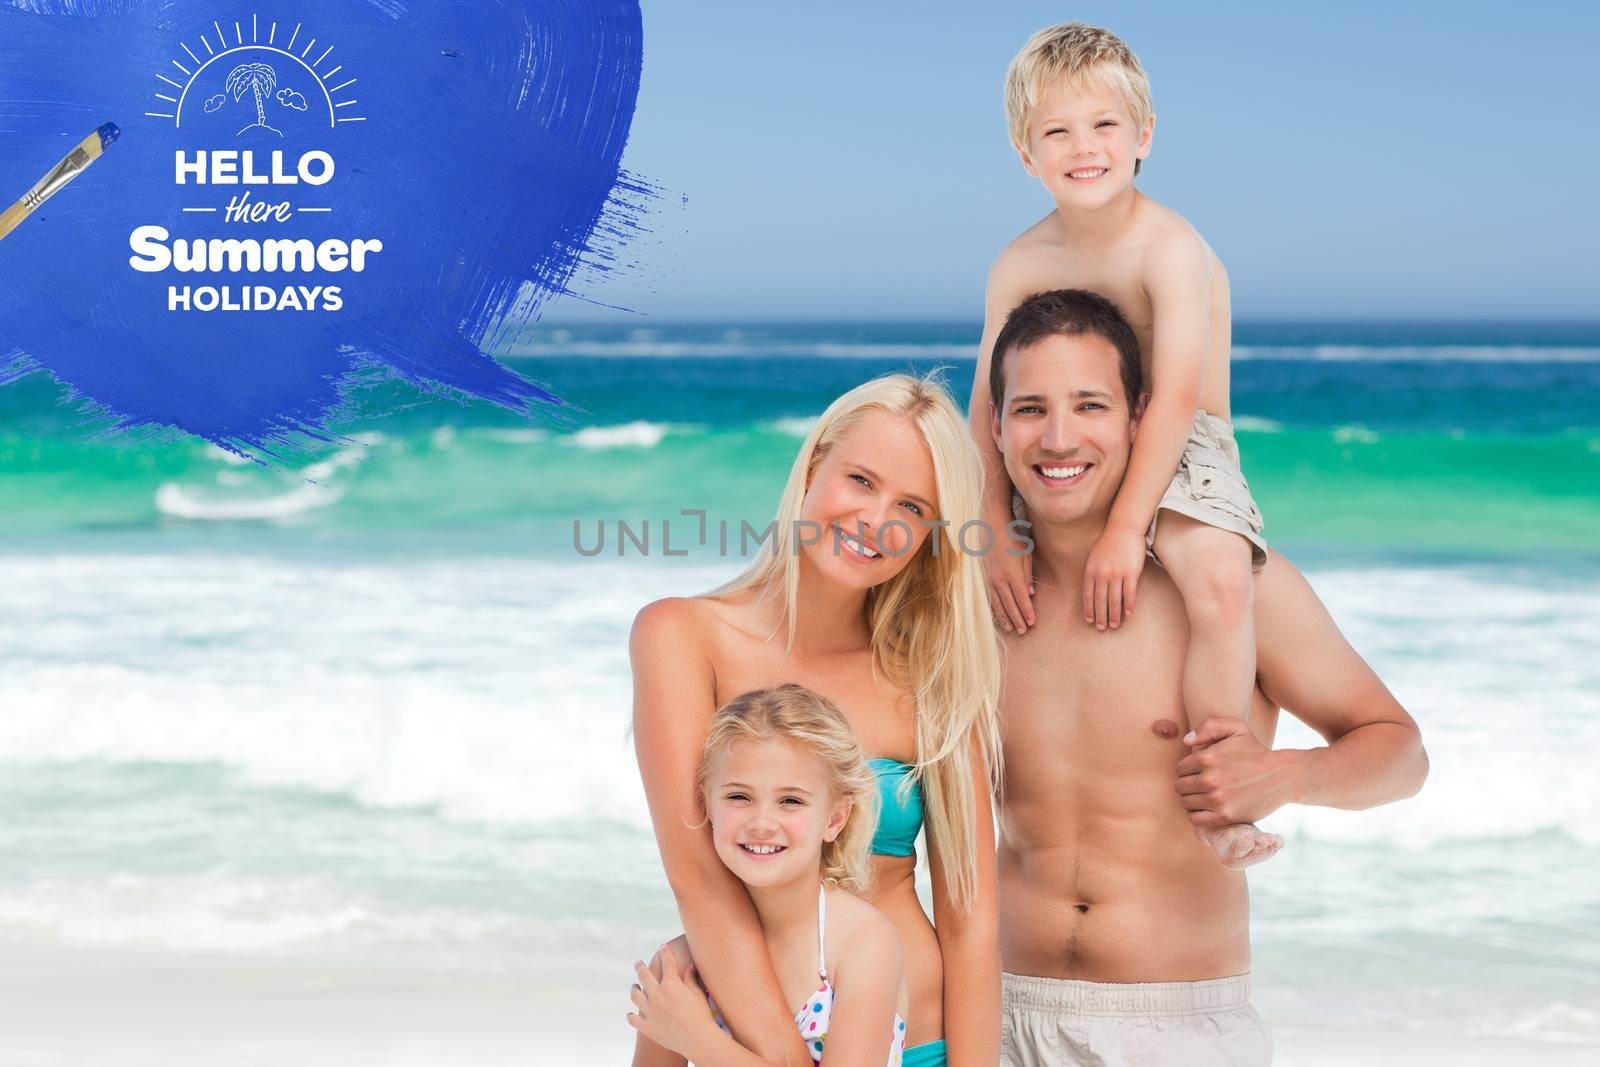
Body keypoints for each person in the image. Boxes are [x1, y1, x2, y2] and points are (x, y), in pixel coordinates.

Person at [987, 289, 1429, 1066]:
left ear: (1140, 418)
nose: (1058, 437)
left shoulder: (1230, 591)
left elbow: (1400, 752)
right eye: (1029, 408)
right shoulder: (975, 604)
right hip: (998, 1014)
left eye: (1090, 404)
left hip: (1176, 1028)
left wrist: (1287, 773)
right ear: (995, 427)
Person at [969, 22, 1278, 867]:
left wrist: (1122, 530)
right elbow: (985, 409)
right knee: (954, 575)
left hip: (1186, 443)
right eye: (1056, 132)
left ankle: (1223, 783)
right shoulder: (1021, 261)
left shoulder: (1170, 247)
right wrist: (994, 528)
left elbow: (1175, 395)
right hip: (1069, 440)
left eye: (1105, 126)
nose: (1084, 148)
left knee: (1217, 580)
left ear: (1144, 136)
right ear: (1025, 153)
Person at [631, 374, 1003, 1067]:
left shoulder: (932, 674)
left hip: (918, 1046)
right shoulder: (682, 635)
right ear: (813, 466)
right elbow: (699, 879)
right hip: (743, 1042)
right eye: (860, 479)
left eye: (913, 506)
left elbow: (971, 919)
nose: (875, 519)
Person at [628, 685, 911, 1066]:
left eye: (790, 801)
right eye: (738, 797)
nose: (762, 823)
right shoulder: (679, 964)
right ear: (706, 803)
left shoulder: (863, 945)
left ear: (835, 818)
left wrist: (702, 1043)